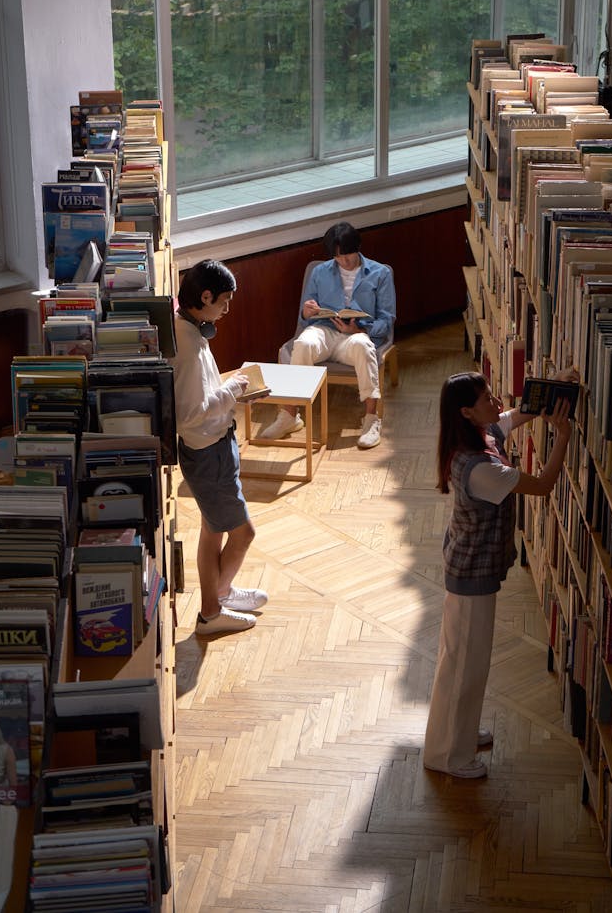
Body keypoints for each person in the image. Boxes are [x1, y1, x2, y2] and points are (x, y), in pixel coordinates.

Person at [423, 370, 574, 779]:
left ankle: (459, 734)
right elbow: (542, 485)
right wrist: (562, 437)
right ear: (467, 412)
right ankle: (448, 756)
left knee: (461, 661)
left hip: (468, 566)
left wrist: (552, 390)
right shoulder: (480, 468)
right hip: (472, 574)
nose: (495, 400)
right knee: (466, 666)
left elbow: (509, 418)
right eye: (486, 397)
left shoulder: (475, 435)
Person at [170, 259, 268, 636]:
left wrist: (231, 393)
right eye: (223, 301)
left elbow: (202, 398)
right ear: (205, 297)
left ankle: (219, 594)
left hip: (211, 447)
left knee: (213, 531)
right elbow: (192, 413)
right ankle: (213, 610)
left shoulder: (189, 329)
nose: (227, 309)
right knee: (243, 534)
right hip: (208, 451)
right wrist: (234, 390)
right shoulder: (190, 346)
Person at [259, 222, 396, 449]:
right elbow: (305, 316)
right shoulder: (320, 272)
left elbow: (386, 319)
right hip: (325, 330)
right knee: (302, 343)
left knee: (363, 347)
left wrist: (360, 330)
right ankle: (289, 415)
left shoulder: (380, 273)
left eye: (348, 256)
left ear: (358, 248)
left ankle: (371, 419)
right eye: (339, 258)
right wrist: (307, 310)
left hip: (356, 335)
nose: (344, 262)